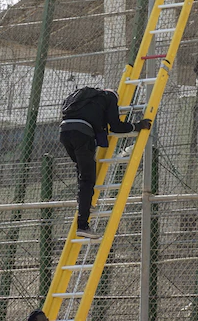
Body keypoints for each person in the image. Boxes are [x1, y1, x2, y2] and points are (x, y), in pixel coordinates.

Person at [59, 86, 151, 238]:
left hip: (64, 132)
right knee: (87, 178)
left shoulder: (82, 97)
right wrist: (138, 126)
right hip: (82, 133)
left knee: (82, 169)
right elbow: (116, 126)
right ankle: (82, 225)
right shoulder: (110, 97)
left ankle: (84, 203)